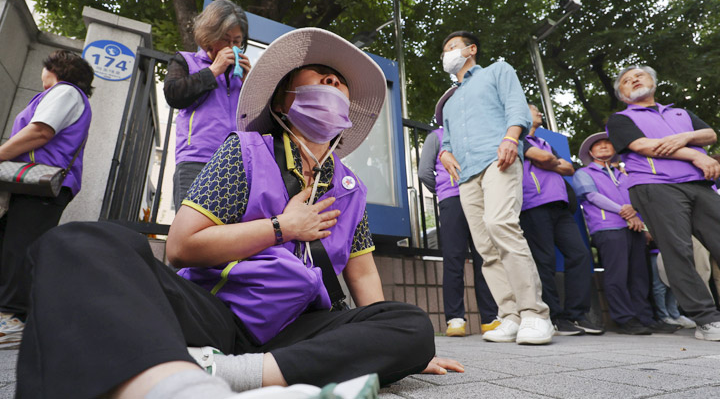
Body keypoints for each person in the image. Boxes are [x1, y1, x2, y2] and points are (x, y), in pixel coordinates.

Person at [16, 28, 460, 399]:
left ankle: (228, 375)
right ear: (285, 101)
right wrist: (281, 228)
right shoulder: (246, 152)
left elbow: (363, 278)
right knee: (79, 243)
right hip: (216, 313)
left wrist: (407, 348)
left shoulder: (350, 189)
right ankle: (207, 380)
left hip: (298, 326)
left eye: (339, 84)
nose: (334, 86)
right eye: (321, 77)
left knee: (411, 325)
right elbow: (182, 248)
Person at [438, 31, 553, 344]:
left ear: (471, 49)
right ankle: (510, 315)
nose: (447, 53)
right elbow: (445, 141)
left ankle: (535, 314)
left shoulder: (498, 71)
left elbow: (516, 109)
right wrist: (444, 152)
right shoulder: (449, 102)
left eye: (452, 47)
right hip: (465, 175)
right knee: (485, 247)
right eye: (444, 50)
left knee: (501, 224)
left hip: (497, 159)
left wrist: (510, 138)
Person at [605, 65, 720, 341]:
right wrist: (696, 156)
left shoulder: (680, 113)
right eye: (626, 81)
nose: (633, 80)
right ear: (622, 95)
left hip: (700, 185)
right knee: (678, 251)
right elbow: (643, 146)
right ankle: (706, 319)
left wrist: (685, 137)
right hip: (655, 187)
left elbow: (710, 134)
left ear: (654, 83)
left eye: (639, 76)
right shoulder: (620, 119)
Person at [0, 49, 93, 344]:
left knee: (19, 246)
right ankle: (11, 316)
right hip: (33, 184)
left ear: (56, 68)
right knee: (12, 244)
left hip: (39, 183)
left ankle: (12, 319)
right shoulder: (65, 94)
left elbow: (40, 132)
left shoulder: (65, 92)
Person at [574, 132, 679, 335]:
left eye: (608, 143)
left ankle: (645, 318)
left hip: (635, 228)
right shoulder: (584, 173)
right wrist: (625, 210)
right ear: (590, 151)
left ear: (615, 150)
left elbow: (639, 200)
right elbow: (592, 196)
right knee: (618, 275)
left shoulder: (625, 175)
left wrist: (637, 215)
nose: (604, 146)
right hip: (608, 228)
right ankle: (624, 319)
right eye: (598, 145)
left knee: (640, 276)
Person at [417, 86, 499, 337]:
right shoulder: (436, 136)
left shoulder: (479, 135)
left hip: (479, 199)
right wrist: (443, 189)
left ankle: (491, 319)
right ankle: (455, 319)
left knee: (484, 256)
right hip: (452, 200)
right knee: (454, 259)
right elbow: (423, 172)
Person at [519, 105, 601, 336]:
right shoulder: (516, 138)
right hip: (532, 205)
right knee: (543, 261)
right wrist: (549, 161)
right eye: (533, 110)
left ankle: (577, 315)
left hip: (561, 207)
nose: (539, 113)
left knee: (581, 255)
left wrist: (548, 161)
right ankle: (555, 317)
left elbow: (569, 168)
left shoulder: (546, 143)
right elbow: (548, 160)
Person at [164, 0, 251, 210]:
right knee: (191, 230)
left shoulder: (243, 76)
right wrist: (214, 71)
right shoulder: (186, 61)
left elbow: (262, 118)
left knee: (228, 235)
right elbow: (174, 95)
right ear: (209, 36)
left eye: (237, 41)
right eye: (225, 39)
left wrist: (251, 84)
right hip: (197, 160)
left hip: (236, 166)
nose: (232, 47)